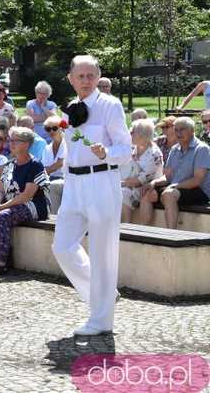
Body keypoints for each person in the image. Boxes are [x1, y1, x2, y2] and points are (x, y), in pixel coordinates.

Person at [52, 55, 132, 336]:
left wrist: (107, 153)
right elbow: (68, 150)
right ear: (71, 78)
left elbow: (126, 149)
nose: (86, 81)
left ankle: (101, 320)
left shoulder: (110, 106)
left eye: (91, 76)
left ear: (98, 77)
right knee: (62, 247)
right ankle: (104, 295)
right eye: (80, 76)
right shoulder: (69, 108)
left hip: (101, 180)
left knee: (103, 252)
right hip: (74, 183)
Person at [0, 127, 50, 275]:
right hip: (8, 204)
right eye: (11, 140)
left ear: (26, 144)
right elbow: (0, 190)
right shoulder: (10, 165)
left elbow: (26, 196)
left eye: (15, 141)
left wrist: (1, 207)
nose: (11, 144)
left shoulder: (35, 165)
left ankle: (0, 263)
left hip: (33, 206)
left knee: (2, 216)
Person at [140, 117, 210, 229]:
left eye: (182, 129)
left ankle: (171, 234)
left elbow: (197, 180)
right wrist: (154, 182)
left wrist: (176, 185)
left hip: (199, 191)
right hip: (176, 188)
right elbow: (167, 177)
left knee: (168, 194)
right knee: (147, 192)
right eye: (176, 130)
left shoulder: (202, 149)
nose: (178, 133)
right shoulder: (174, 149)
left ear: (192, 131)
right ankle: (143, 232)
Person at [120, 119, 164, 223]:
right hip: (128, 184)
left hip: (146, 188)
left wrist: (117, 184)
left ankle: (127, 228)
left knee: (123, 193)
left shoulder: (154, 155)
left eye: (132, 132)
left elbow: (140, 180)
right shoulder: (132, 147)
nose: (129, 134)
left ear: (141, 135)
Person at [41, 116, 68, 214]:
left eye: (54, 128)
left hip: (66, 178)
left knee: (53, 185)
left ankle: (53, 218)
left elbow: (59, 164)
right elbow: (45, 167)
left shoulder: (67, 144)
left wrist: (40, 174)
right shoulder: (47, 148)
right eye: (48, 129)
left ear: (61, 128)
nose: (51, 131)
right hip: (50, 178)